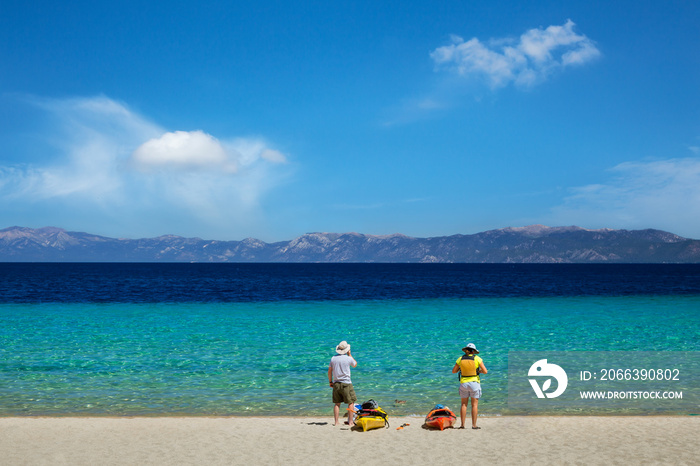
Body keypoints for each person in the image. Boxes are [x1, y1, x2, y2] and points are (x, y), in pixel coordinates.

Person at [452, 342, 488, 429]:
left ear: (466, 351)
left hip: (464, 383)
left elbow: (454, 371)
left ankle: (462, 425)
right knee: (474, 405)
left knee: (464, 404)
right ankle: (474, 425)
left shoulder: (460, 359)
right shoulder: (478, 359)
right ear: (473, 351)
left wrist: (461, 368)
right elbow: (485, 371)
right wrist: (479, 371)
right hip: (474, 383)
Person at [328, 340, 358, 426]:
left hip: (336, 383)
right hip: (346, 383)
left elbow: (329, 371)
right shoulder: (348, 358)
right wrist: (350, 354)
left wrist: (330, 381)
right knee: (351, 402)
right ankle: (351, 422)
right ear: (347, 350)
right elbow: (355, 364)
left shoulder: (333, 358)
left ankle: (336, 422)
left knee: (337, 403)